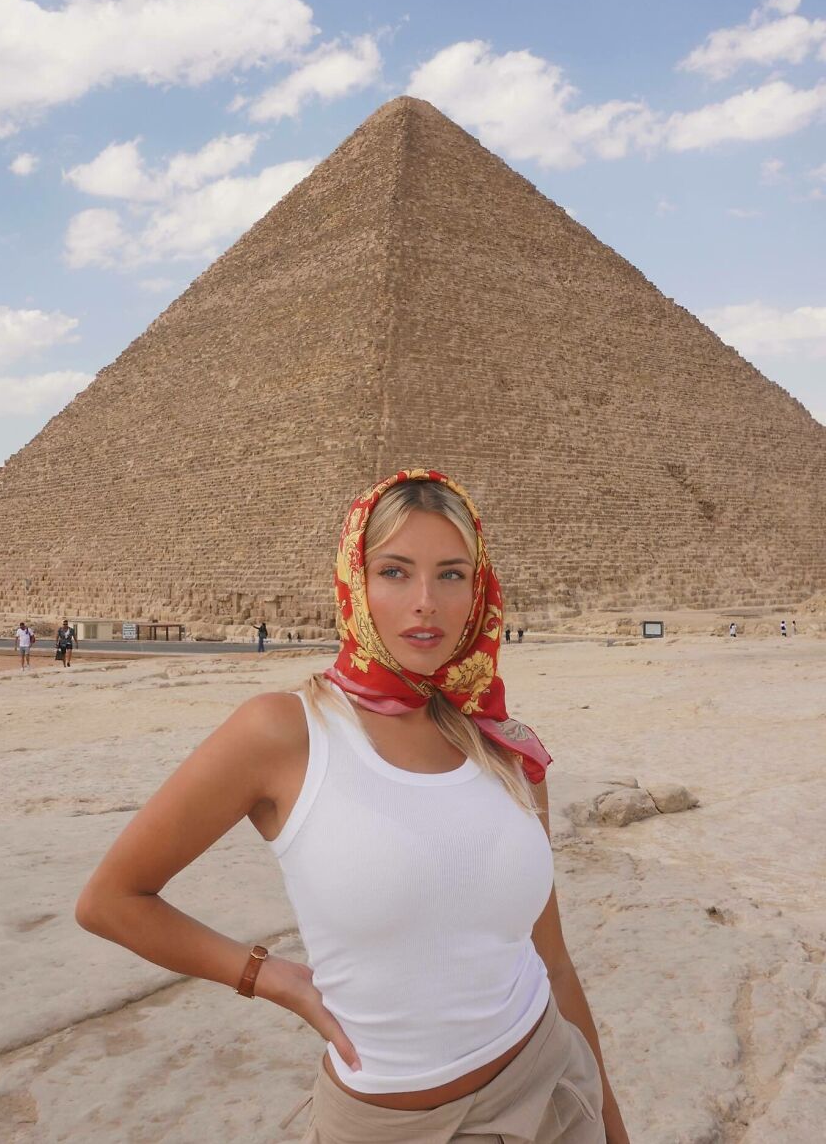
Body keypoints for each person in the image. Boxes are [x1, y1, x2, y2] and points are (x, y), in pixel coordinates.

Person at [76, 470, 626, 1143]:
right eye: (395, 571)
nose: (425, 602)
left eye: (451, 574)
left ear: (479, 588)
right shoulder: (283, 732)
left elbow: (554, 962)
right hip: (388, 1126)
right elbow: (110, 898)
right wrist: (271, 977)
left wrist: (610, 1120)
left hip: (552, 1091)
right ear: (356, 583)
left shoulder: (506, 749)